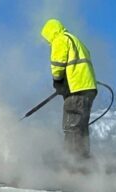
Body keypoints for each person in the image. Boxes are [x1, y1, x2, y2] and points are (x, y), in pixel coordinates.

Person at [41, 19, 98, 160]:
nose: (48, 42)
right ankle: (83, 161)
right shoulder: (75, 40)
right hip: (88, 88)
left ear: (50, 33)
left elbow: (58, 64)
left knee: (71, 126)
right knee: (81, 127)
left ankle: (73, 164)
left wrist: (58, 81)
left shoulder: (60, 39)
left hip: (76, 89)